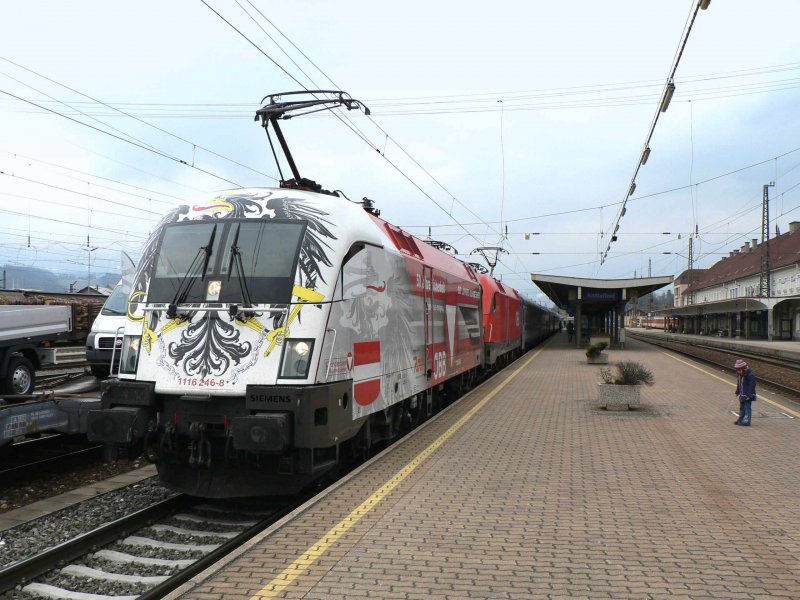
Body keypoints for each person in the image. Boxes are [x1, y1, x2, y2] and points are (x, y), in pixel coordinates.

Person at [734, 358, 756, 426]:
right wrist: (737, 391)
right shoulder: (740, 375)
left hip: (748, 395)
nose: (738, 371)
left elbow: (752, 385)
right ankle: (740, 419)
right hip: (742, 394)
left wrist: (749, 395)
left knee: (747, 407)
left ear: (743, 368)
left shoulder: (750, 375)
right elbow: (739, 383)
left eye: (739, 370)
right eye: (737, 370)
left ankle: (747, 421)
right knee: (741, 408)